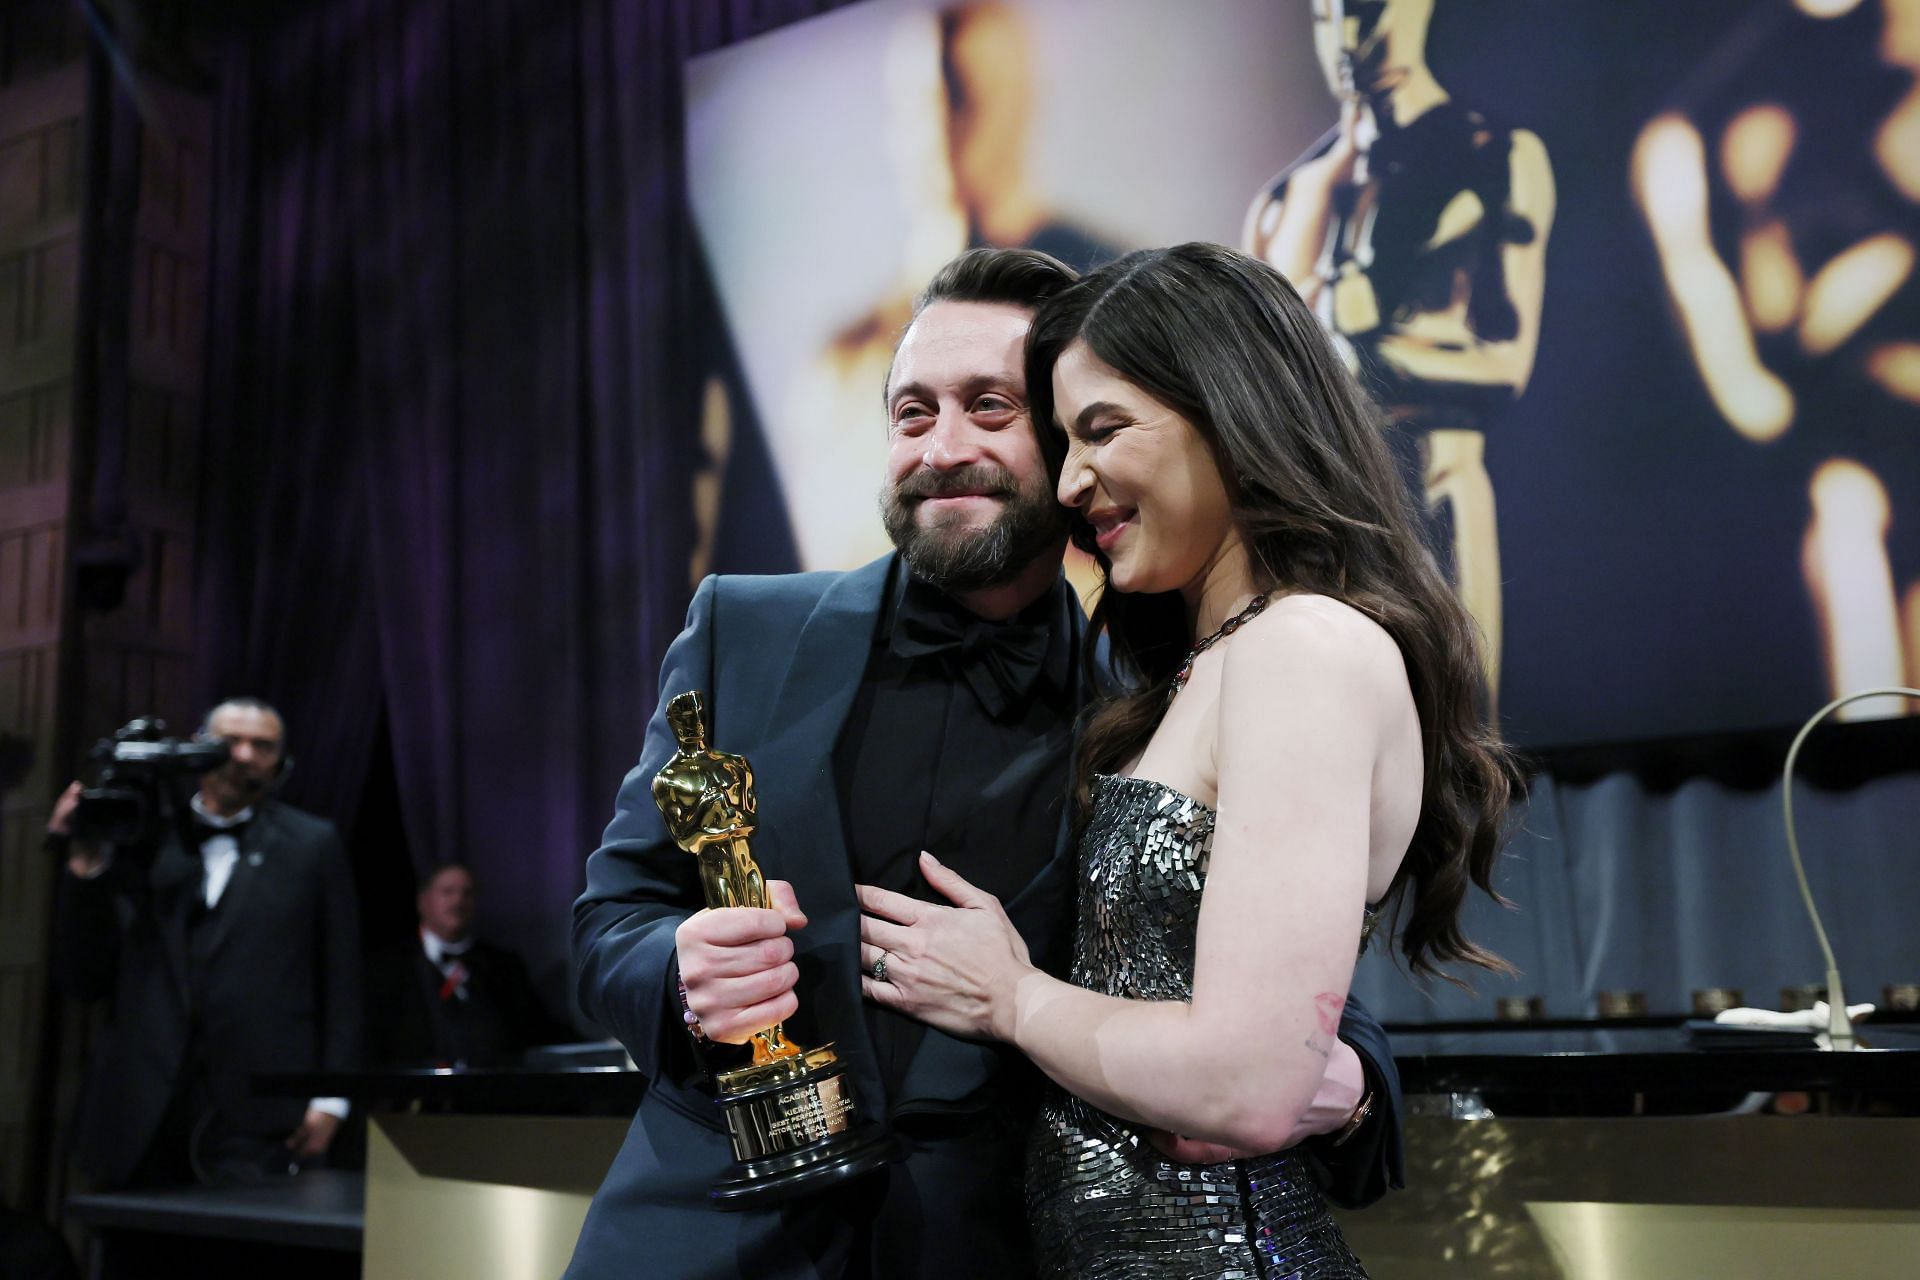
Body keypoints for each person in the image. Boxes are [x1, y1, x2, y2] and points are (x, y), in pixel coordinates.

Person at [565, 248, 1403, 1280]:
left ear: (1068, 443)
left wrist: (1353, 1077)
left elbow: (1268, 985)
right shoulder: (743, 628)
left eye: (989, 406)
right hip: (703, 1239)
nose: (941, 447)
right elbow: (608, 924)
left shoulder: (1161, 698)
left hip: (989, 1247)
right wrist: (679, 968)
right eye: (912, 413)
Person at [856, 243, 1520, 1278]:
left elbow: (1249, 1083)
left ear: (1230, 409)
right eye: (1065, 439)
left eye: (1103, 429)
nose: (1072, 481)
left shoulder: (1303, 646)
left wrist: (1013, 997)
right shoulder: (1215, 662)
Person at [1245, 0, 1555, 710]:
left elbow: (1504, 361)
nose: (1350, 37)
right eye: (1328, 17)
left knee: (1458, 764)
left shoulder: (1493, 159)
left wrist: (1353, 356)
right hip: (1309, 539)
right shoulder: (1283, 202)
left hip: (1436, 505)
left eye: (1366, 9)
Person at [49, 698, 361, 1188]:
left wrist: (332, 1099)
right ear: (194, 749)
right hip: (138, 1109)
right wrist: (85, 865)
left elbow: (342, 980)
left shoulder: (312, 845)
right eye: (228, 741)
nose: (242, 755)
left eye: (262, 746)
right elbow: (83, 975)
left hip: (260, 1119)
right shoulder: (140, 837)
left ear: (281, 762)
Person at [364, 862, 572, 1067]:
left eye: (467, 893)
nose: (458, 901)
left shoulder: (504, 966)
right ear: (423, 901)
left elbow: (539, 1029)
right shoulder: (388, 968)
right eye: (447, 892)